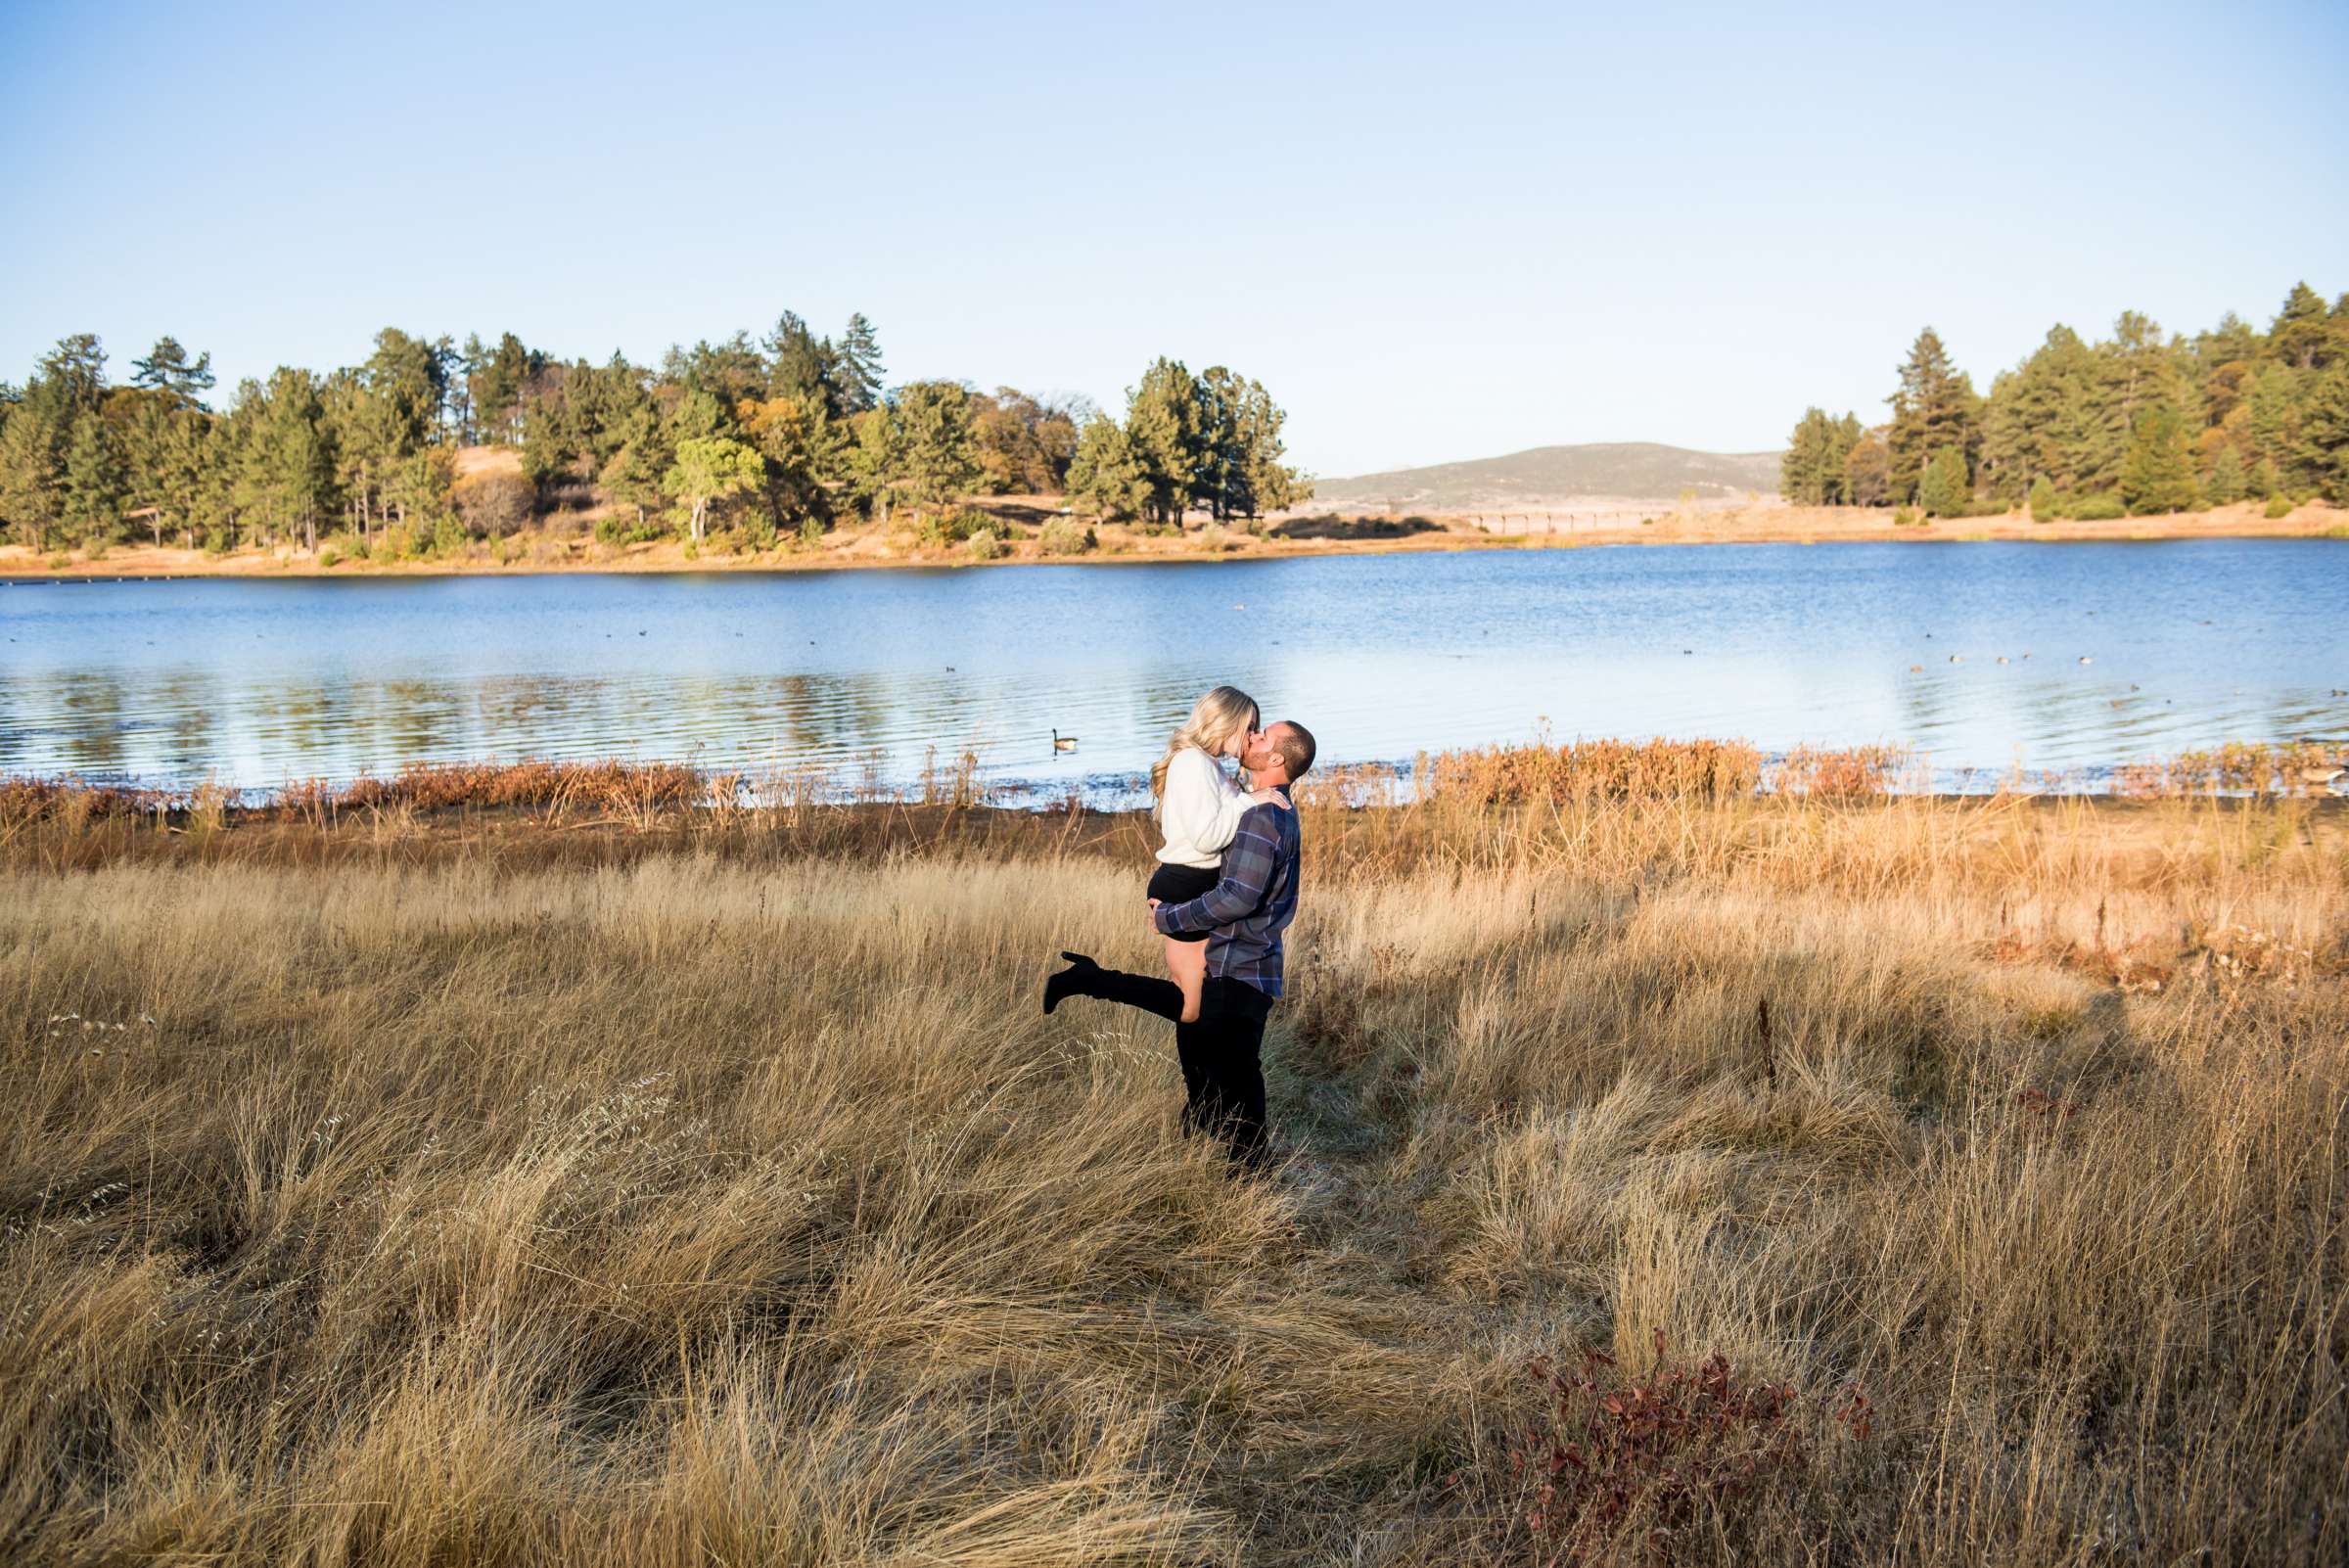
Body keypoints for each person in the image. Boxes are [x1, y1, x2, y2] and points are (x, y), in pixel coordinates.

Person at [1044, 718, 1316, 1169]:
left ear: (1277, 759)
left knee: (1235, 1070)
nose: (1251, 737)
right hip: (1243, 957)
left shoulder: (1263, 816)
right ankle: (1220, 1143)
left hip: (1239, 961)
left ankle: (1252, 1169)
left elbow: (1239, 896)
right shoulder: (1269, 807)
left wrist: (1169, 915)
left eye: (1262, 736)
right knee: (1204, 1036)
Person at [1145, 685, 1289, 1023]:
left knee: (1192, 998)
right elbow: (1207, 838)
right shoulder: (1194, 763)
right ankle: (1092, 981)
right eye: (1250, 727)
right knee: (1192, 1007)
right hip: (1186, 883)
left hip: (1194, 883)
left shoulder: (1204, 763)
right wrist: (1251, 800)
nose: (1252, 736)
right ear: (1229, 722)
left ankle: (1201, 1075)